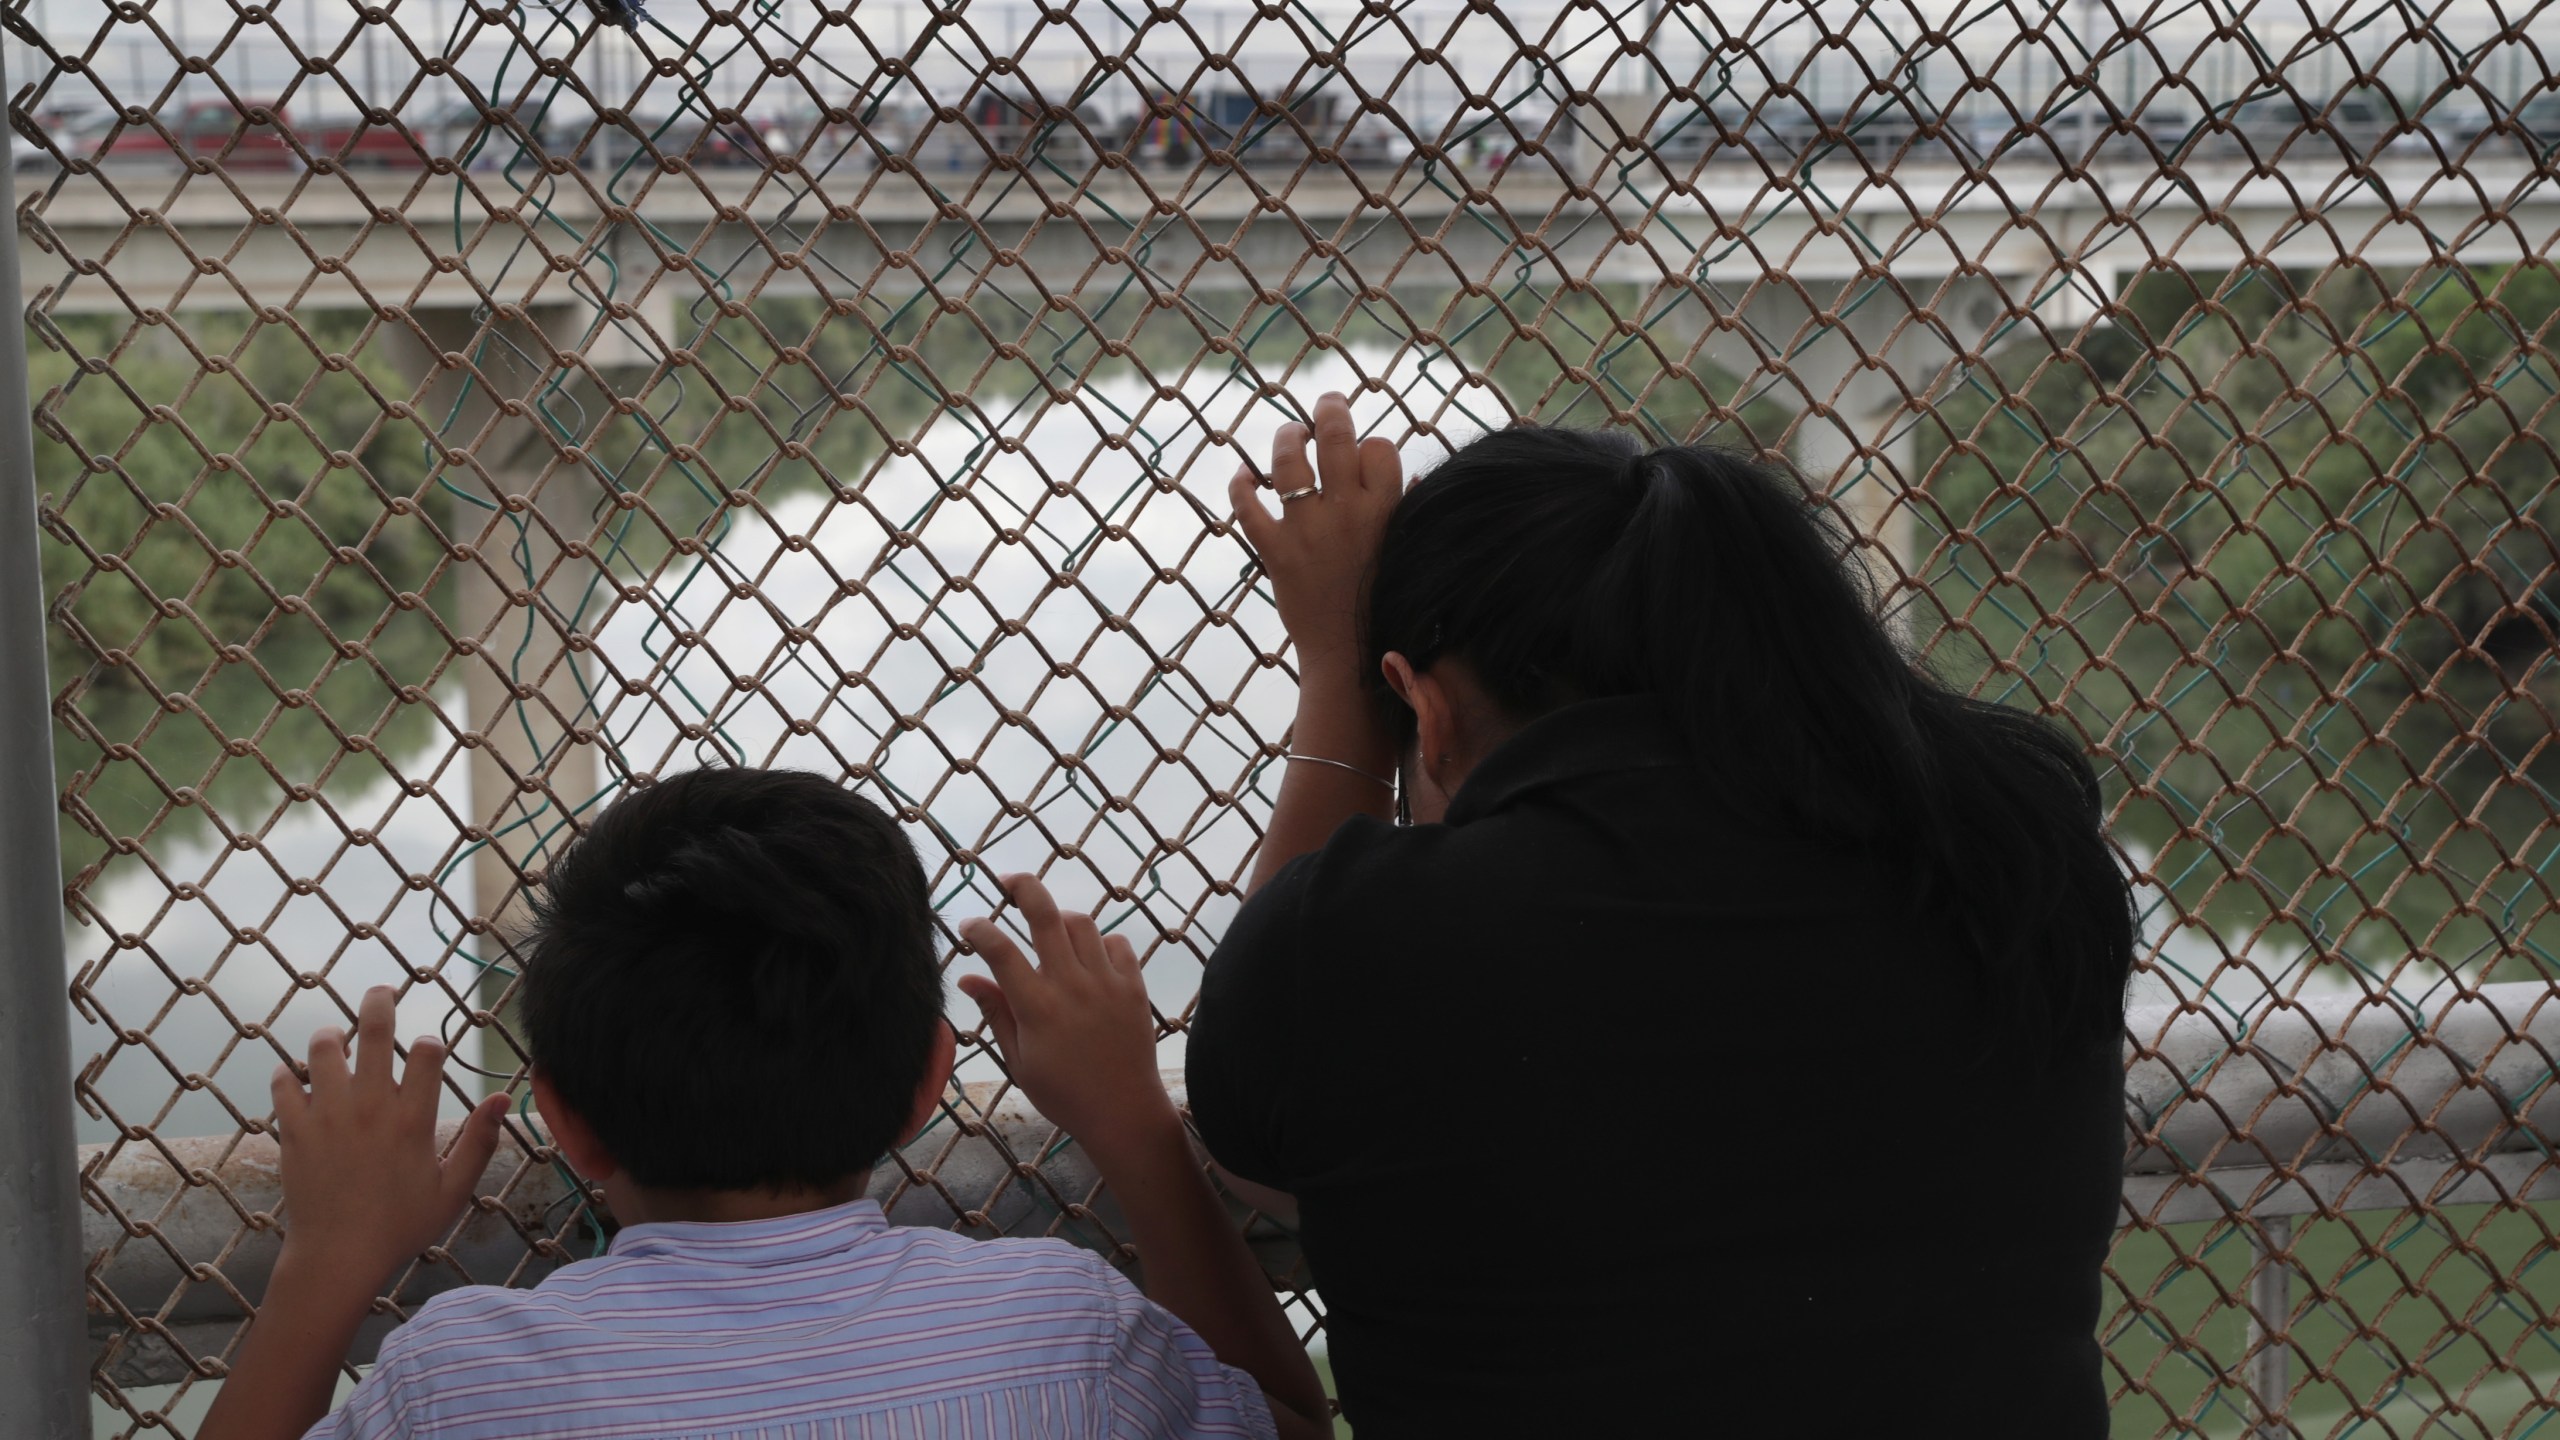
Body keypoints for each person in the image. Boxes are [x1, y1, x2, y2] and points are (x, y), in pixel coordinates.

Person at [1186, 396, 2138, 1434]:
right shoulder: (2011, 857)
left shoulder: (1378, 944)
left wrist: (1334, 677)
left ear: (1425, 709)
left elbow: (1256, 1140)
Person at [201, 767, 1330, 1440]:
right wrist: (1132, 1121)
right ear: (926, 1082)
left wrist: (330, 1260)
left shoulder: (464, 1385)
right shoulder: (1071, 1337)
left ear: (562, 1117)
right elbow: (1286, 1426)